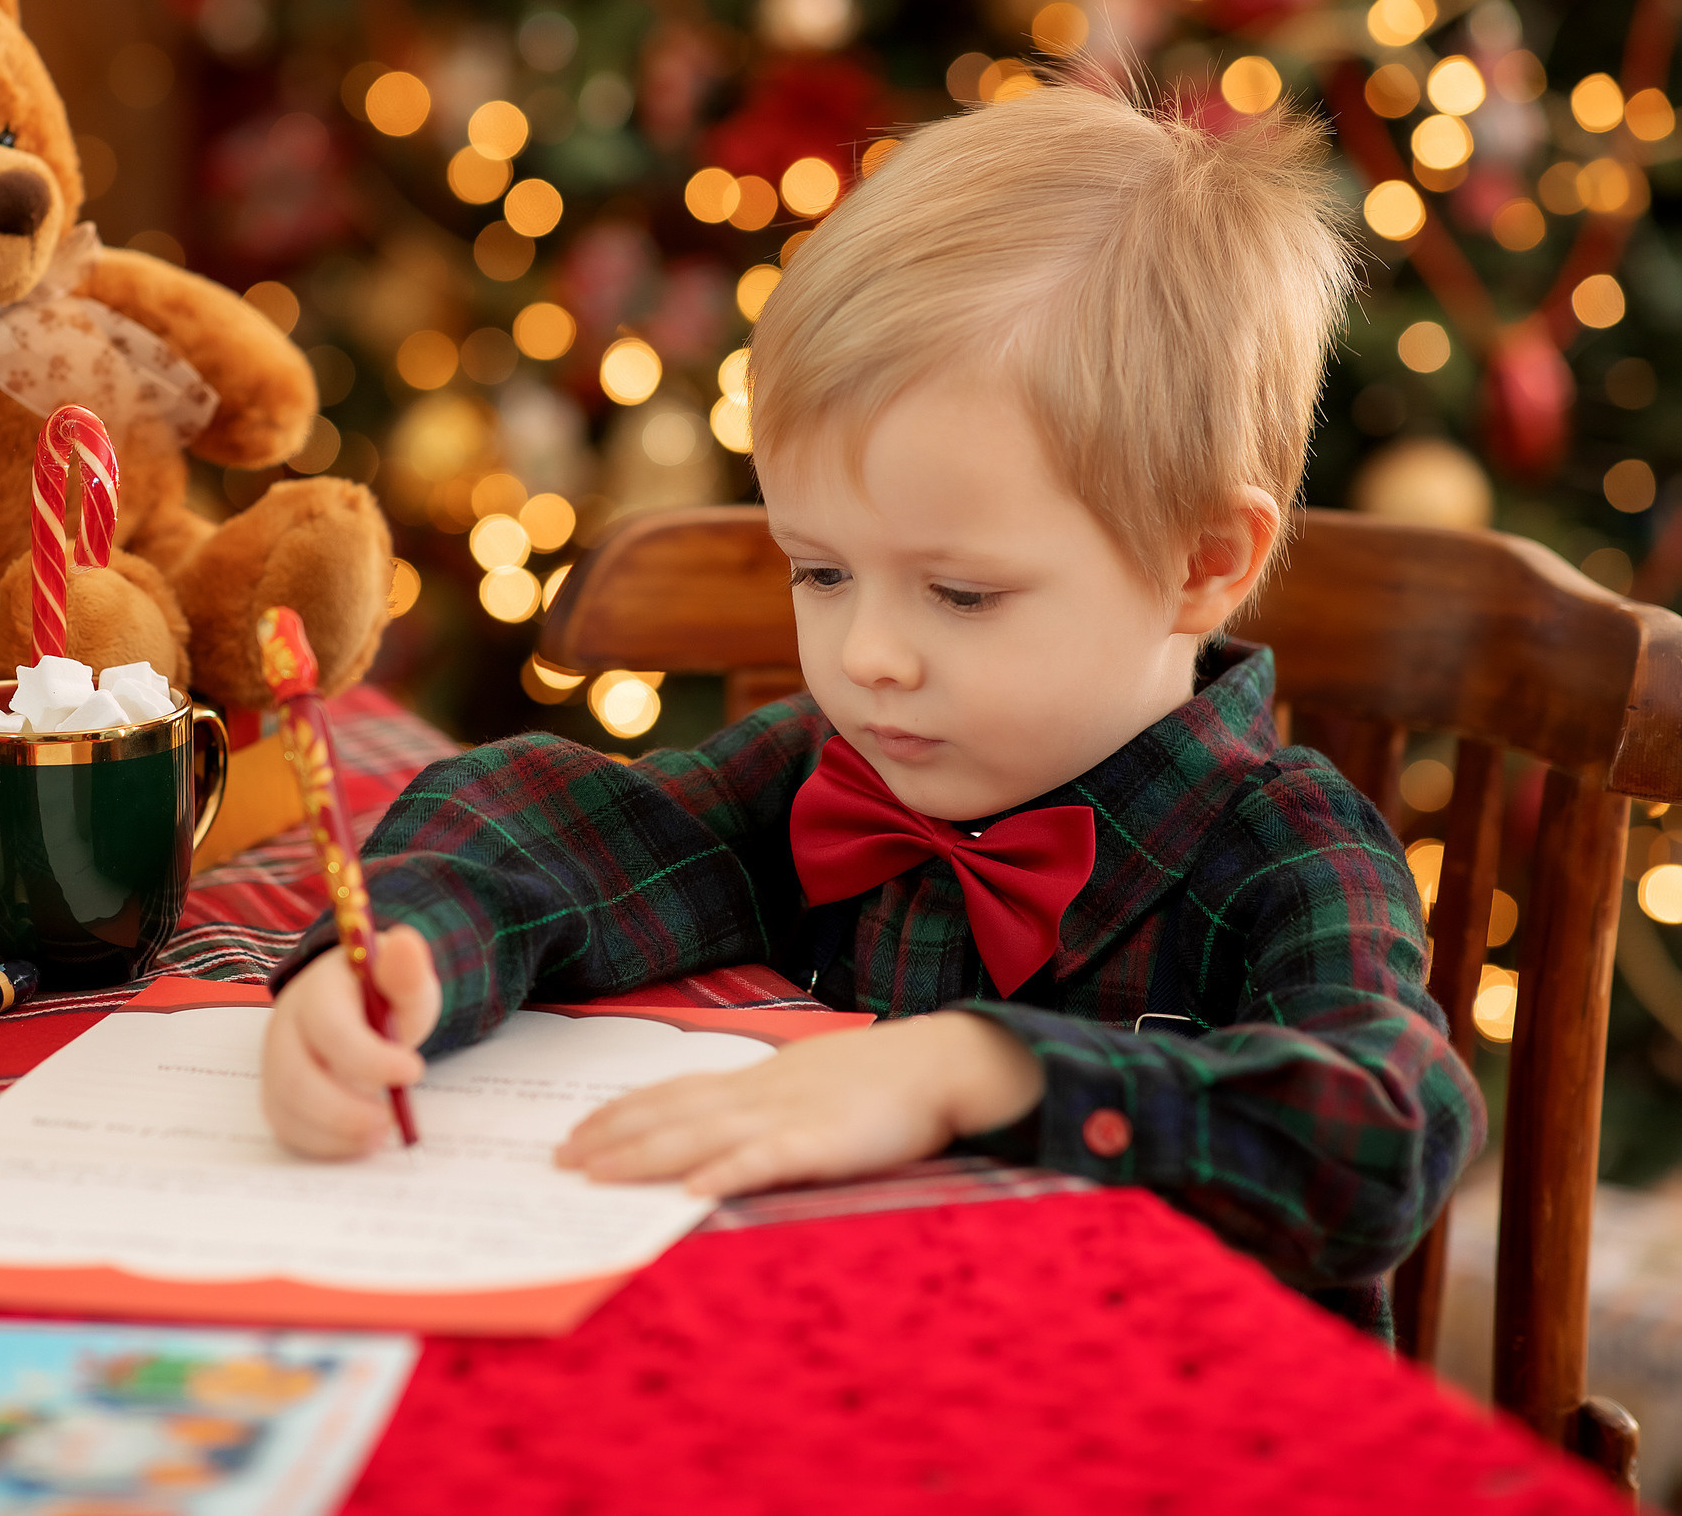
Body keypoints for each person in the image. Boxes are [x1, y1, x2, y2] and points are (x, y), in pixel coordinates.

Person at [260, 82, 1484, 1334]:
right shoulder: (831, 774)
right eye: (821, 572)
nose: (868, 657)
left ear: (1201, 563)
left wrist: (981, 1072)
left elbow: (1382, 1137)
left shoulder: (1286, 851)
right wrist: (411, 948)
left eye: (959, 593)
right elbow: (553, 824)